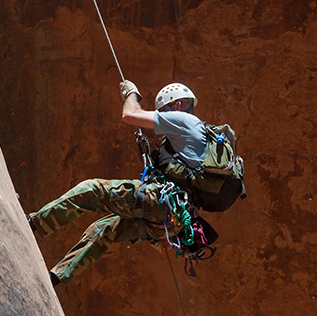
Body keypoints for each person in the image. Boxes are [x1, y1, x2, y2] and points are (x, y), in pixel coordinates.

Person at [27, 81, 212, 287]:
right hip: (172, 221)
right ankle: (56, 278)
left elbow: (130, 114)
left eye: (164, 111)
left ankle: (33, 224)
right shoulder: (198, 138)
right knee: (105, 228)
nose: (164, 116)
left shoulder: (184, 119)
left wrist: (131, 95)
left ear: (177, 105)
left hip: (162, 205)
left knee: (92, 190)